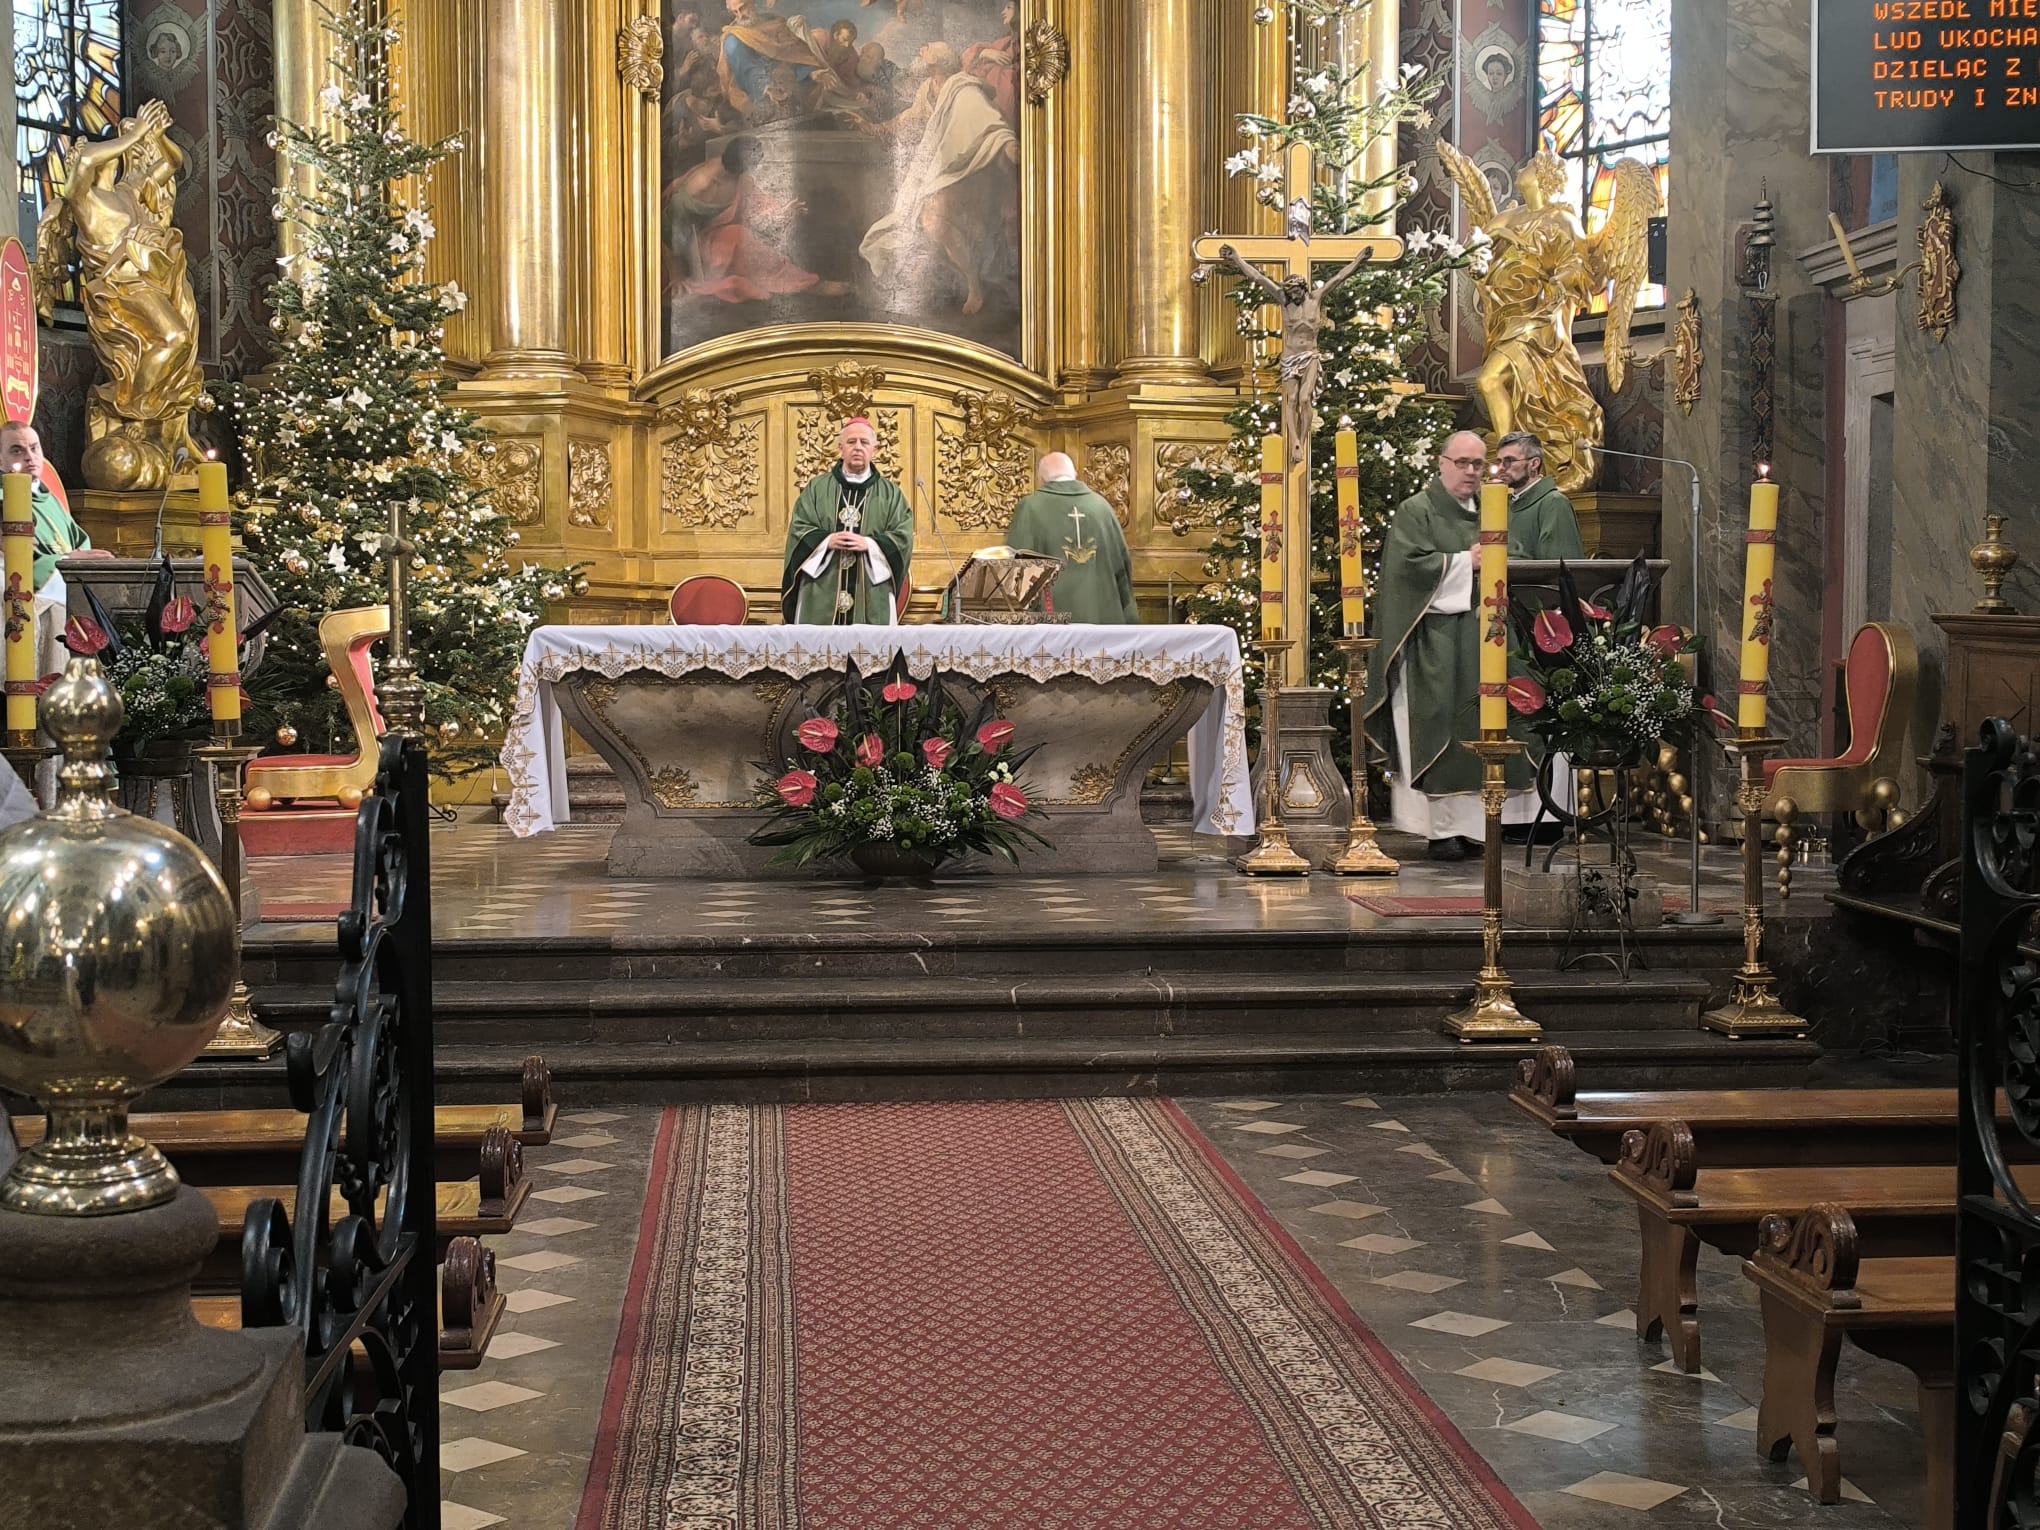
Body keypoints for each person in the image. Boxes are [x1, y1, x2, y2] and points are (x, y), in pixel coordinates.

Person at [1364, 429, 1583, 861]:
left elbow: (1519, 555)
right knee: (1441, 727)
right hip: (1437, 644)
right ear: (1441, 463)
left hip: (1494, 638)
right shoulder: (1417, 510)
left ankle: (1489, 824)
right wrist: (1467, 561)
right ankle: (1443, 830)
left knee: (1507, 722)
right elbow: (1405, 571)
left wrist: (1503, 560)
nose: (1470, 471)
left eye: (1479, 464)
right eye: (1462, 462)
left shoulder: (1492, 508)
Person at [856, 42, 1019, 317]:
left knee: (933, 222)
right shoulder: (929, 89)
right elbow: (908, 119)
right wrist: (871, 128)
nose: (923, 47)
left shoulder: (964, 88)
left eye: (928, 47)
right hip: (942, 172)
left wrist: (1010, 146)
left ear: (939, 62)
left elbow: (990, 123)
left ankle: (974, 286)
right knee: (928, 225)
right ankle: (965, 283)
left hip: (967, 172)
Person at [782, 419, 913, 625]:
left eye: (864, 442)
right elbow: (799, 529)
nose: (858, 447)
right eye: (851, 442)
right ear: (841, 448)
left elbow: (903, 537)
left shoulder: (891, 495)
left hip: (871, 591)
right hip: (821, 590)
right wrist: (826, 541)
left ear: (874, 450)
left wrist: (870, 544)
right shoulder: (816, 488)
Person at [1004, 453, 1136, 624]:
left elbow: (1016, 570)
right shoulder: (1103, 507)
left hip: (1052, 626)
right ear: (1075, 474)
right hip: (1105, 623)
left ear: (1041, 479)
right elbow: (1123, 568)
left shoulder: (1030, 508)